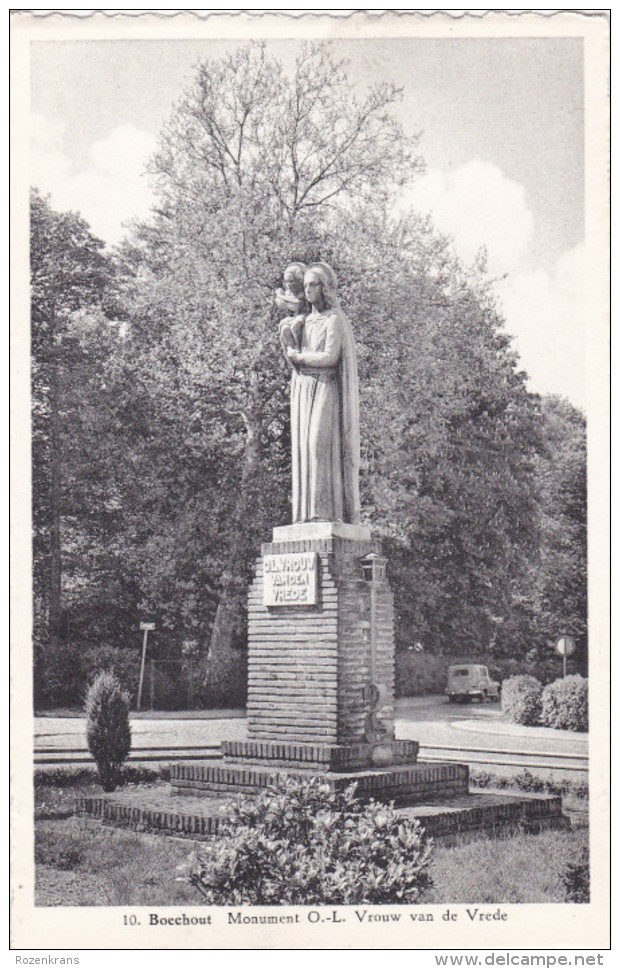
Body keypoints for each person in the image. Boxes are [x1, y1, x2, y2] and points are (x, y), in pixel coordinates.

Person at [282, 262, 361, 525]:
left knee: (319, 444)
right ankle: (306, 514)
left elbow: (330, 356)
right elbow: (290, 349)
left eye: (313, 284)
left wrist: (299, 357)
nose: (308, 290)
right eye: (305, 285)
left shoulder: (334, 320)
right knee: (304, 449)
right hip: (303, 388)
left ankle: (325, 512)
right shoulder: (304, 321)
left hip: (325, 386)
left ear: (325, 288)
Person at [276, 262, 307, 361]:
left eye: (291, 281)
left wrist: (281, 296)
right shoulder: (289, 292)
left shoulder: (302, 292)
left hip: (305, 314)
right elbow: (282, 305)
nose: (288, 285)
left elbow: (296, 304)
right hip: (295, 316)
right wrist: (282, 299)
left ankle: (300, 347)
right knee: (284, 327)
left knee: (295, 325)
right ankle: (291, 347)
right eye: (286, 282)